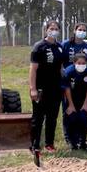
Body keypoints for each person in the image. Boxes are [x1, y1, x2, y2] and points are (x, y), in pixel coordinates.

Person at [30, 20, 65, 153]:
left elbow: (61, 67)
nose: (54, 30)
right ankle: (34, 145)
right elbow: (33, 69)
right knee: (38, 118)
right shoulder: (39, 46)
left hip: (56, 89)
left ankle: (49, 144)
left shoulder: (60, 47)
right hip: (40, 89)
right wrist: (33, 89)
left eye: (56, 29)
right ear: (46, 30)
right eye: (51, 28)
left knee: (52, 118)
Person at [61, 22, 87, 144]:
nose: (82, 31)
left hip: (83, 82)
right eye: (80, 29)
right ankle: (68, 138)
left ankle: (81, 137)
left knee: (82, 113)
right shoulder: (65, 44)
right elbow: (60, 61)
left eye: (84, 30)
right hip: (68, 80)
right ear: (74, 30)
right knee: (68, 110)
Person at [61, 53, 87, 150]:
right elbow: (66, 89)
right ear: (74, 62)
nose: (81, 65)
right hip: (70, 99)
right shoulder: (68, 71)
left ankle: (82, 141)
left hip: (84, 99)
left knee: (83, 118)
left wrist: (86, 103)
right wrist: (70, 105)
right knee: (72, 119)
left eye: (83, 63)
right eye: (79, 63)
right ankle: (72, 143)